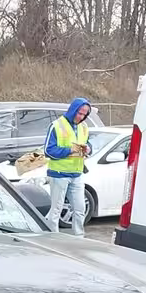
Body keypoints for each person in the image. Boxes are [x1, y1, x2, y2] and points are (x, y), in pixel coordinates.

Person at [43, 97, 93, 236]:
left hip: (76, 174)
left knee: (80, 209)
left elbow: (88, 143)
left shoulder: (84, 127)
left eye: (84, 114)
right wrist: (69, 150)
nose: (81, 117)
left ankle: (79, 238)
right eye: (79, 113)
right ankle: (53, 238)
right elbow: (48, 150)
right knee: (56, 209)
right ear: (73, 110)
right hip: (59, 174)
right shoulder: (56, 125)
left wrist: (88, 149)